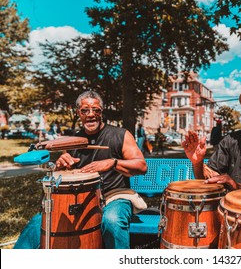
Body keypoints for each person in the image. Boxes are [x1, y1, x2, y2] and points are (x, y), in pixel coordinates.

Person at [14, 90, 147, 249]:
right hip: (81, 199)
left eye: (95, 110)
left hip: (115, 196)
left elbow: (141, 166)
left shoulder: (121, 135)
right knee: (38, 222)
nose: (91, 114)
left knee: (112, 220)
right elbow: (61, 178)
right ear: (78, 113)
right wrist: (60, 166)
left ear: (101, 112)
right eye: (85, 110)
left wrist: (113, 162)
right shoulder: (71, 141)